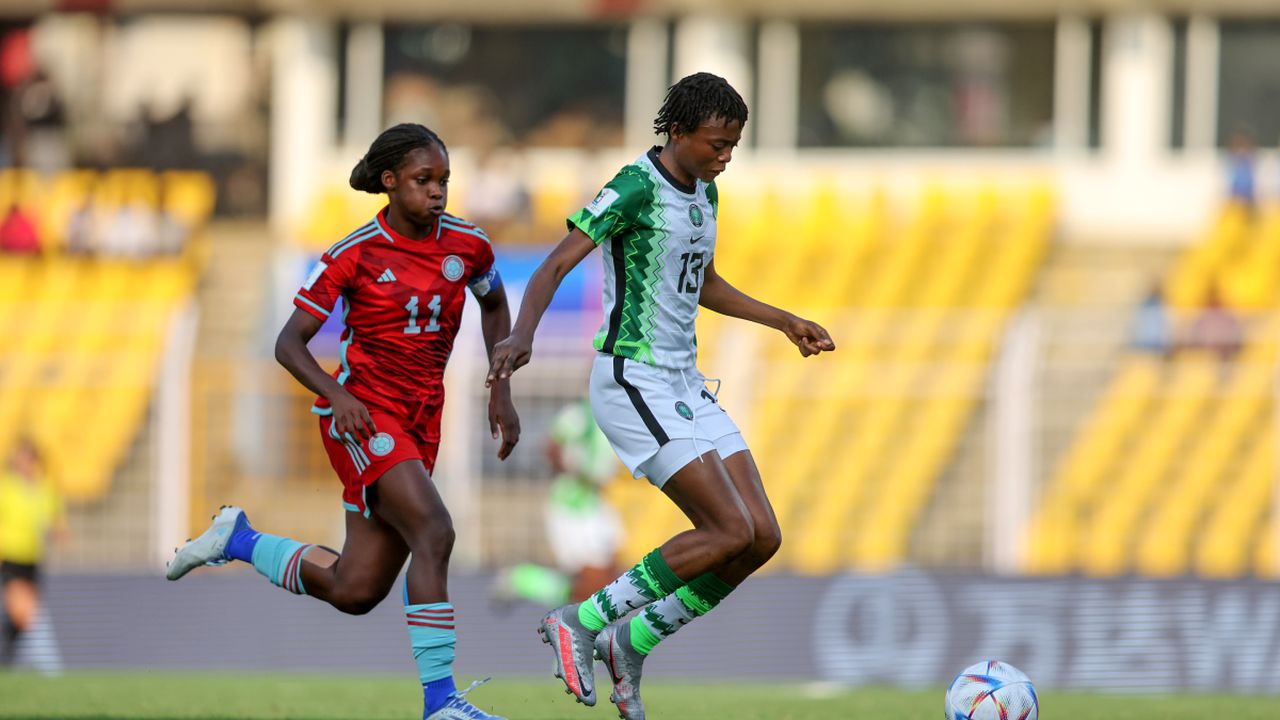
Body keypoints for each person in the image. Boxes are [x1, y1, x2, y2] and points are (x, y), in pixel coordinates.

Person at [487, 72, 836, 719]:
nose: (726, 156)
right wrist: (521, 336)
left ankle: (632, 644)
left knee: (760, 537)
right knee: (725, 528)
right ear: (677, 132)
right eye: (717, 143)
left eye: (734, 145)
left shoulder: (705, 193)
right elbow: (557, 261)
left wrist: (781, 318)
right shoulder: (635, 186)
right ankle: (581, 621)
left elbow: (699, 281)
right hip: (633, 377)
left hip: (684, 383)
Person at [166, 123, 520, 720]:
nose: (437, 192)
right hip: (362, 418)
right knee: (434, 530)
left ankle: (240, 539)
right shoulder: (353, 253)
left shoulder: (469, 245)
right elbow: (289, 343)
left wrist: (499, 386)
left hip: (421, 421)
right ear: (390, 182)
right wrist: (339, 395)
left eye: (444, 181)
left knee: (356, 589)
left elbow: (493, 304)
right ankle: (443, 704)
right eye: (423, 180)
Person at [491, 398, 622, 608]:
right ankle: (525, 580)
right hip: (573, 504)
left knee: (612, 582)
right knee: (594, 589)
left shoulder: (618, 415)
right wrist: (579, 474)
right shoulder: (580, 414)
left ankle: (524, 579)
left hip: (597, 502)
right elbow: (551, 448)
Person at [0, 438, 65, 667]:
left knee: (18, 622)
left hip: (33, 561)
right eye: (23, 459)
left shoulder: (45, 489)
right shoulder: (6, 487)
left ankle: (5, 663)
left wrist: (57, 532)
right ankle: (51, 668)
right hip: (10, 559)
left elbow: (54, 522)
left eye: (31, 460)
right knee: (28, 612)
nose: (27, 464)